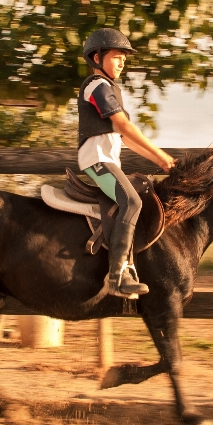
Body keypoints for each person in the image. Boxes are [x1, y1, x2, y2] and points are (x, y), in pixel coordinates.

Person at [78, 28, 176, 298]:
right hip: (96, 160)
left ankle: (128, 268)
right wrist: (160, 153)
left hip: (107, 160)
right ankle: (116, 275)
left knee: (133, 200)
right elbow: (122, 124)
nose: (123, 62)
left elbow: (127, 139)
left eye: (125, 58)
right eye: (117, 56)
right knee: (132, 202)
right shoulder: (96, 86)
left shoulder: (110, 89)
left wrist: (159, 159)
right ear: (97, 57)